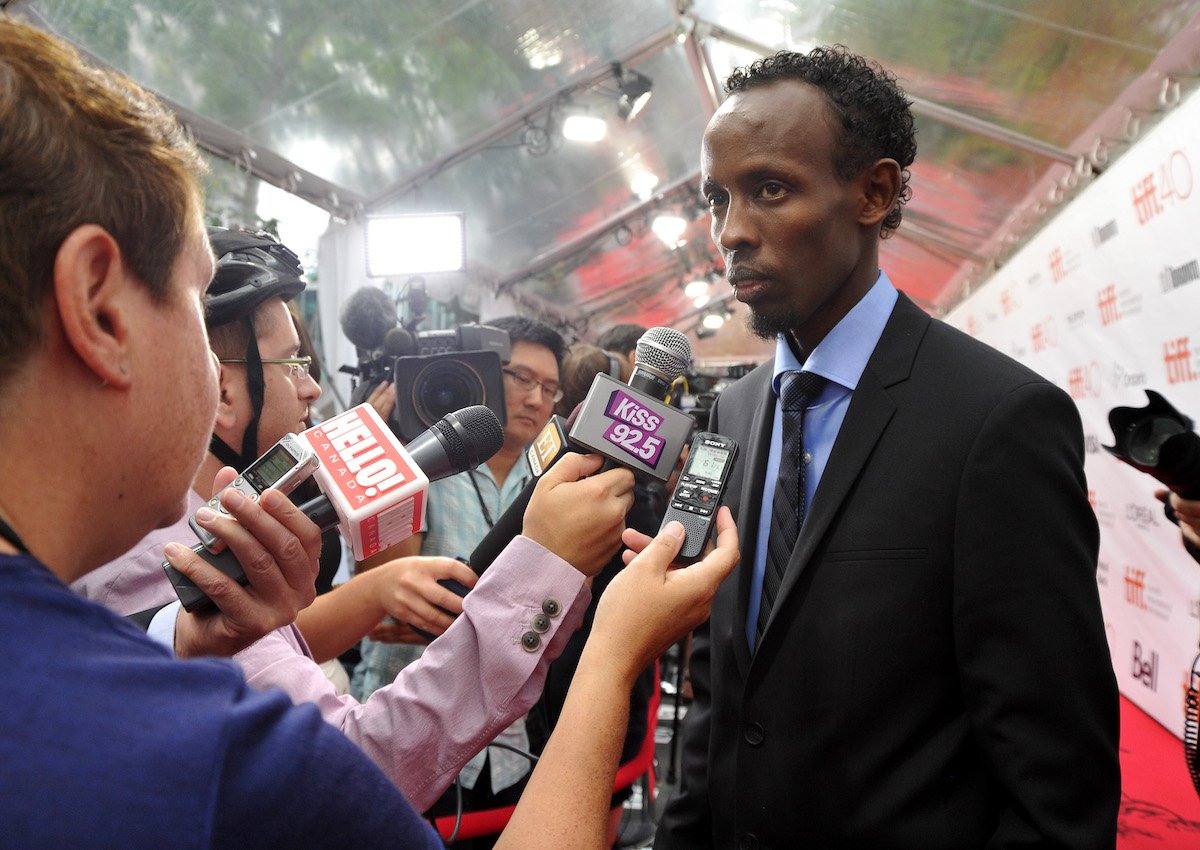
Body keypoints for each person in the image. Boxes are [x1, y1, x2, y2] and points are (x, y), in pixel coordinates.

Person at [0, 18, 738, 848]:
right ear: (99, 307)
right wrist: (610, 653)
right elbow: (351, 770)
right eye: (190, 298)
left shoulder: (117, 646)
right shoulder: (203, 758)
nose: (309, 388)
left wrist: (192, 637)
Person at [653, 46, 1120, 848]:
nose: (730, 233)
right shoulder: (731, 413)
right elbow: (720, 692)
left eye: (769, 190)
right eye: (716, 198)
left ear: (873, 192)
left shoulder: (998, 422)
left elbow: (1059, 782)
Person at [73, 228, 632, 813]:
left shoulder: (207, 527)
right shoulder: (172, 562)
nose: (314, 387)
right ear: (223, 389)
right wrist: (549, 572)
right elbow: (350, 771)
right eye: (293, 363)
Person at [354, 316, 569, 838]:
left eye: (550, 387)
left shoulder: (551, 479)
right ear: (485, 372)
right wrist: (387, 464)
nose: (537, 399)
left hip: (508, 747)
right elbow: (384, 603)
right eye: (522, 378)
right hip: (405, 736)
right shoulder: (425, 463)